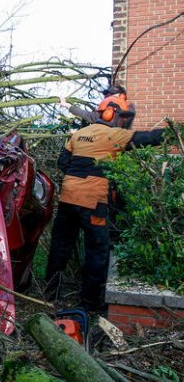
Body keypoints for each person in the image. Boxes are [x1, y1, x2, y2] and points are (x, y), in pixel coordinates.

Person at [44, 85, 164, 314]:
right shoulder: (115, 134)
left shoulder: (78, 134)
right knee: (97, 251)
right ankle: (90, 304)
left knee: (60, 247)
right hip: (93, 202)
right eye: (122, 117)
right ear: (112, 115)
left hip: (68, 198)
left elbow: (62, 162)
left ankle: (50, 294)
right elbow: (149, 137)